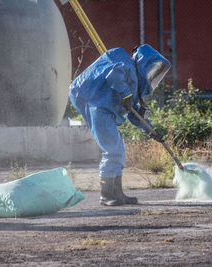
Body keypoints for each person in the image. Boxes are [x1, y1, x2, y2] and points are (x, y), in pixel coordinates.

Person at [69, 44, 171, 206]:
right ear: (144, 62)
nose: (153, 74)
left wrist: (151, 130)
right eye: (152, 68)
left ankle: (117, 193)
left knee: (117, 147)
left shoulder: (133, 83)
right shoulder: (127, 68)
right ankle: (107, 194)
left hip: (101, 105)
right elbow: (114, 76)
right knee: (112, 148)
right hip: (93, 102)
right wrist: (126, 94)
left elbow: (133, 112)